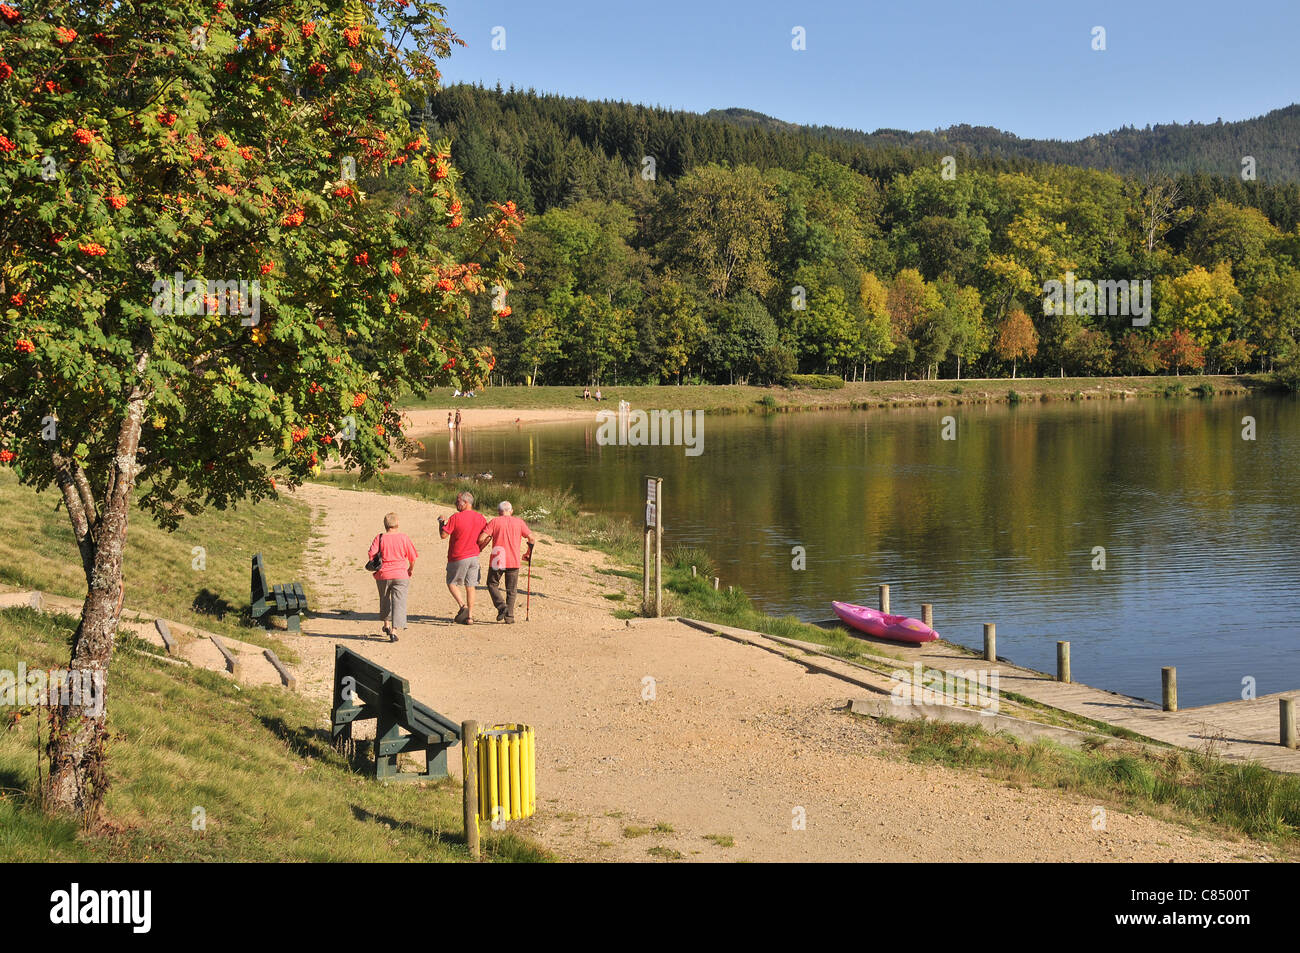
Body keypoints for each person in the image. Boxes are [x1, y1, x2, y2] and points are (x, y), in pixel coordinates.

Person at [478, 501, 536, 623]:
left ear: (499, 511)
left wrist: (479, 546)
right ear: (511, 510)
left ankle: (501, 606)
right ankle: (509, 617)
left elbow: (482, 538)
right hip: (513, 559)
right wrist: (528, 553)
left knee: (492, 584)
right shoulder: (519, 522)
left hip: (497, 558)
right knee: (511, 590)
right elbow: (531, 538)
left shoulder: (495, 521)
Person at [439, 491, 487, 625]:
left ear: (466, 503)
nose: (455, 503)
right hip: (474, 556)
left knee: (451, 582)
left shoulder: (456, 517)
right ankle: (470, 617)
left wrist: (441, 522)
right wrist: (481, 547)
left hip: (458, 556)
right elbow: (488, 535)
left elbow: (443, 535)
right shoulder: (480, 518)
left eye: (457, 500)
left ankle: (463, 606)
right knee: (470, 586)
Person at [368, 512, 418, 641]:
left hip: (383, 574)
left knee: (384, 600)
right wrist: (410, 569)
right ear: (397, 524)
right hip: (401, 574)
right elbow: (412, 557)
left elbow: (371, 555)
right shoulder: (404, 538)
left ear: (385, 524)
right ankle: (394, 631)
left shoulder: (380, 537)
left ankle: (386, 624)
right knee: (399, 602)